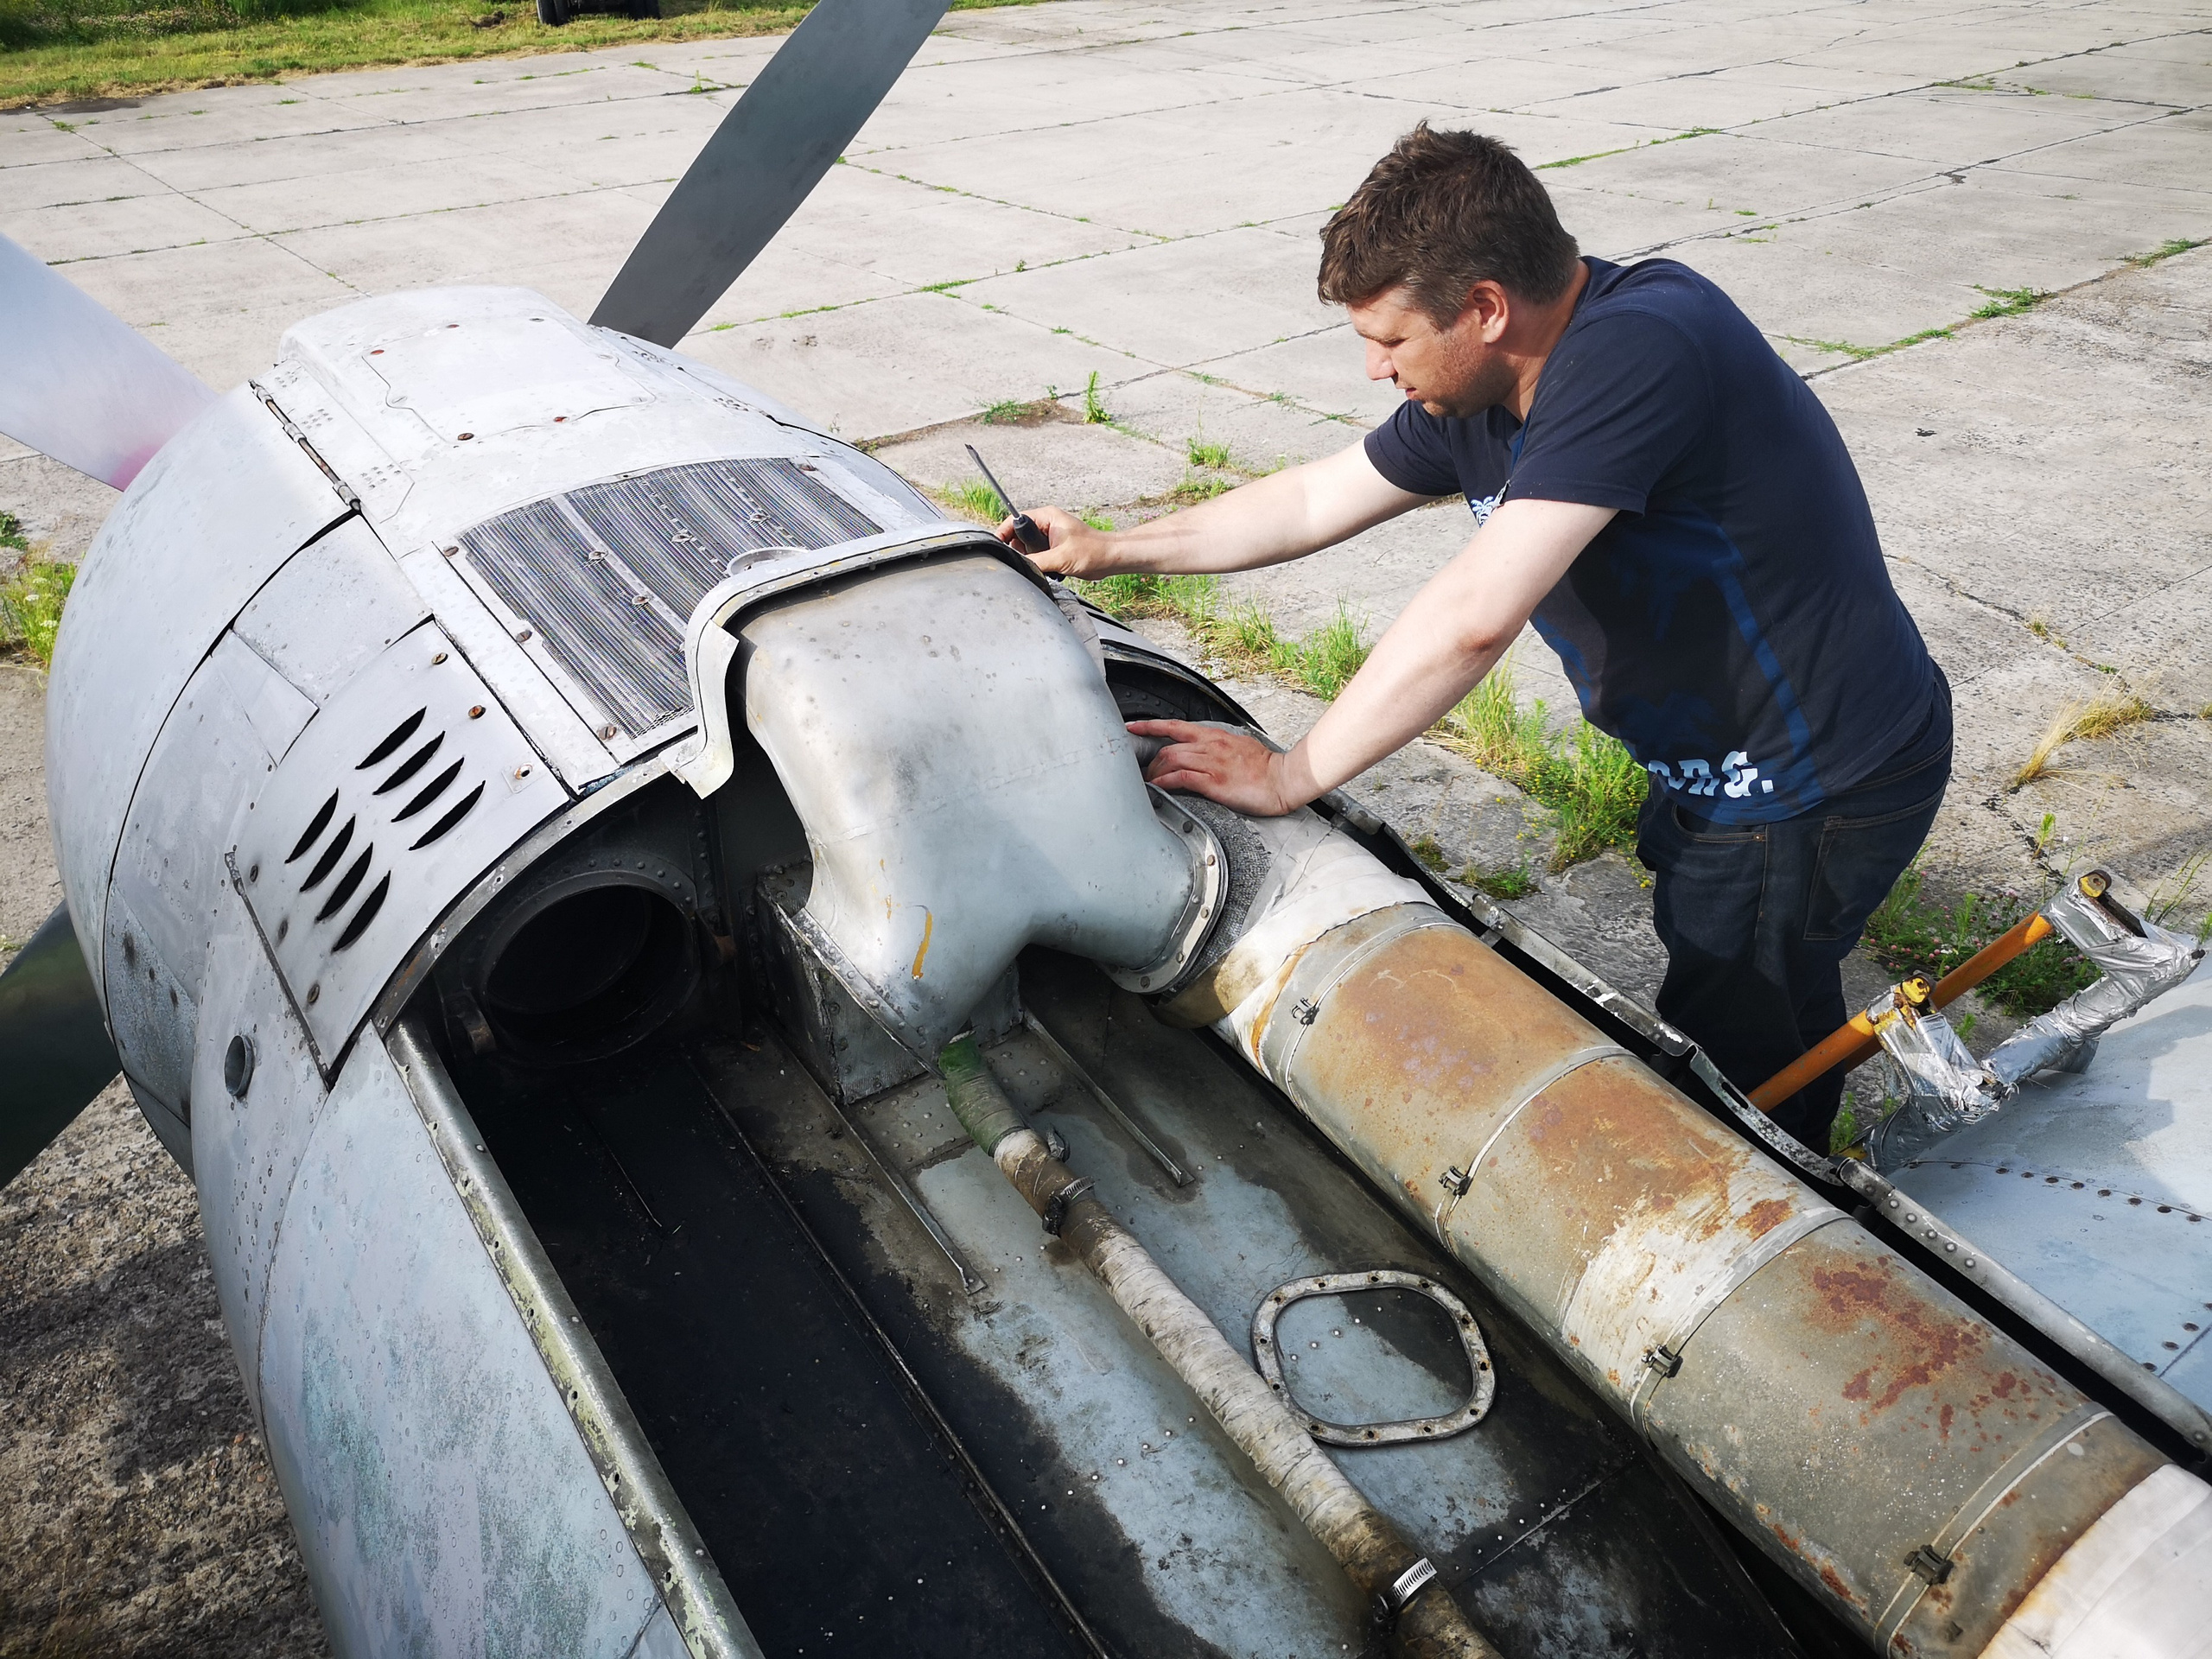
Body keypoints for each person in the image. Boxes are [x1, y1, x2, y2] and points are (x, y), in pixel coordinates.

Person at [998, 123, 1949, 1152]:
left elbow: (1473, 618)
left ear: (1486, 308)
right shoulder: (1475, 388)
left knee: (1739, 1052)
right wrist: (1109, 548)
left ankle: (1793, 1205)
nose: (1373, 367)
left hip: (1813, 780)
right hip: (1714, 766)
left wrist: (1289, 775)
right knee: (1728, 961)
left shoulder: (1639, 347)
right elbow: (1317, 499)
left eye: (1390, 338)